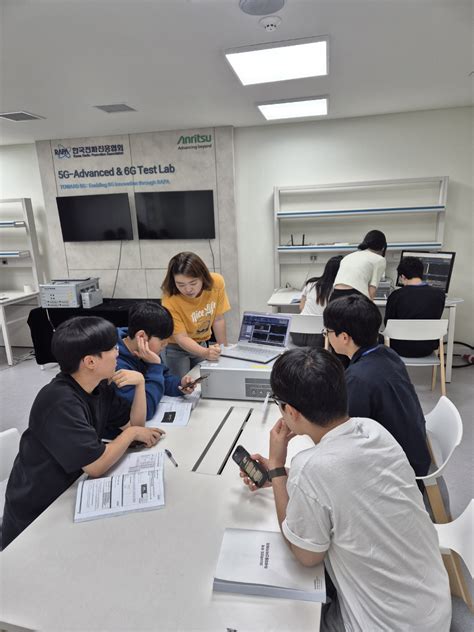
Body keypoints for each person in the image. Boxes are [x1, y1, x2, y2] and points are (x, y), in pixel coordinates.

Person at [241, 348, 451, 632]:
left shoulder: (312, 468)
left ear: (290, 411)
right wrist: (283, 477)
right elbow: (345, 480)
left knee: (285, 616)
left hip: (386, 626)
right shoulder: (374, 430)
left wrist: (277, 467)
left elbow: (306, 556)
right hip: (434, 610)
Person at [2, 316, 164, 549]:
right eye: (112, 349)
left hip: (71, 490)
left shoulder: (100, 386)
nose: (118, 353)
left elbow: (135, 425)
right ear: (90, 361)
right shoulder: (59, 401)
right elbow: (97, 466)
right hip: (37, 513)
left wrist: (140, 384)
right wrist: (129, 435)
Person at [323, 294, 430, 476]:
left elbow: (343, 435)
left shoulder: (358, 378)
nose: (326, 336)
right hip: (414, 452)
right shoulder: (388, 354)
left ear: (344, 337)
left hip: (399, 471)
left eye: (327, 331)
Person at [114, 301, 196, 422]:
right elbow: (146, 410)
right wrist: (155, 366)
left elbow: (163, 379)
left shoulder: (146, 351)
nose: (165, 346)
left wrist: (179, 385)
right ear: (141, 336)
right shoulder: (115, 363)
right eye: (162, 343)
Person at [161, 252, 231, 378]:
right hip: (176, 348)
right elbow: (181, 338)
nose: (188, 289)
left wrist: (223, 350)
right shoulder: (169, 298)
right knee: (181, 387)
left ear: (203, 277)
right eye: (180, 284)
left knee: (203, 382)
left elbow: (218, 319)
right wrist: (205, 353)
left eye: (193, 283)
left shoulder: (217, 283)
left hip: (202, 342)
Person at [385, 255, 446, 357]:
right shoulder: (439, 295)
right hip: (427, 348)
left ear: (402, 277)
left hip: (399, 348)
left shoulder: (396, 295)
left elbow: (388, 323)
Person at [292, 255, 343, 347]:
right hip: (319, 337)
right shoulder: (338, 289)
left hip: (297, 334)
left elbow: (301, 307)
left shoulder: (311, 283)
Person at [332, 229, 387, 301]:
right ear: (383, 247)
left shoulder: (348, 257)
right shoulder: (379, 259)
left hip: (335, 297)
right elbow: (372, 290)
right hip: (355, 298)